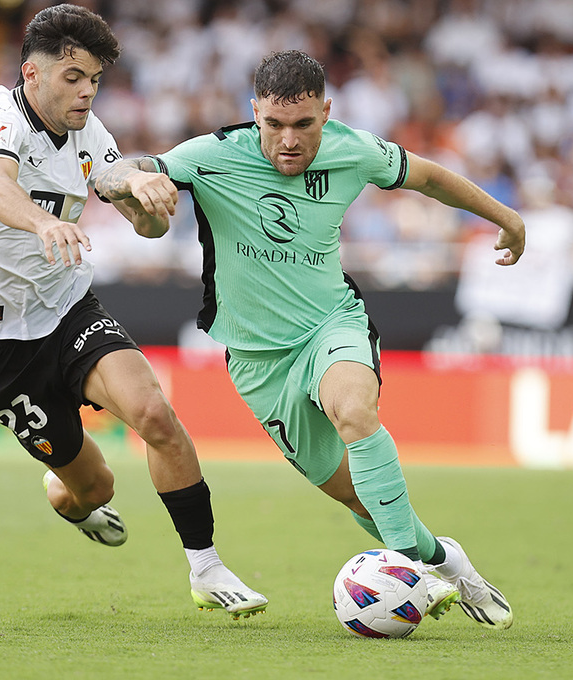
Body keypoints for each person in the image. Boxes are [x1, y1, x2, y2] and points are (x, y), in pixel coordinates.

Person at [96, 49, 524, 630]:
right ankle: (445, 560)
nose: (288, 140)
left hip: (331, 325)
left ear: (326, 111)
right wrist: (132, 178)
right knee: (358, 499)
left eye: (304, 125)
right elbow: (121, 170)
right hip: (257, 361)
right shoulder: (214, 155)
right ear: (256, 114)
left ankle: (401, 569)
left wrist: (506, 217)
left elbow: (429, 177)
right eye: (273, 125)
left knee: (354, 409)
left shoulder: (354, 149)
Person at [0, 4, 266, 619]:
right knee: (94, 488)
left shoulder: (93, 136)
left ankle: (206, 565)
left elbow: (142, 225)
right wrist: (43, 220)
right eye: (73, 78)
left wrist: (150, 202)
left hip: (68, 308)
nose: (86, 91)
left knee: (154, 413)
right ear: (32, 74)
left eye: (94, 79)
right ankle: (66, 489)